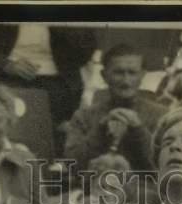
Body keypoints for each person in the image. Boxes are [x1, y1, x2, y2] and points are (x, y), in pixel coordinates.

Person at [0, 23, 97, 141]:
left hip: (57, 80)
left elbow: (85, 53)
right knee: (3, 111)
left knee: (52, 128)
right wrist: (6, 65)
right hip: (6, 76)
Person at [63, 44, 168, 181]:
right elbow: (73, 165)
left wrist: (139, 130)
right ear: (104, 75)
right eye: (118, 73)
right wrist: (101, 129)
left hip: (143, 195)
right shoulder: (84, 116)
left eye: (132, 73)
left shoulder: (162, 116)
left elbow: (165, 167)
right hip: (94, 192)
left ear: (142, 75)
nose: (126, 81)